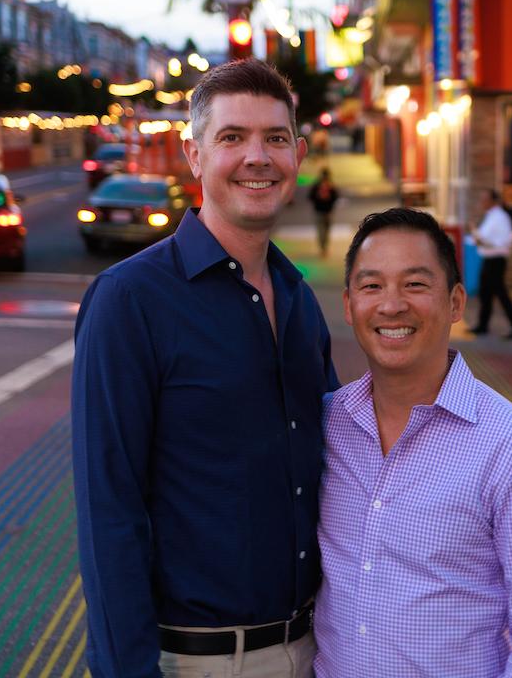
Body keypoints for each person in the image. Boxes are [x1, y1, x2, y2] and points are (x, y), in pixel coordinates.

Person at [71, 59, 339, 678]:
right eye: (232, 138)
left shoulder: (298, 300)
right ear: (194, 155)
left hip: (314, 651)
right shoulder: (130, 300)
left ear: (298, 154)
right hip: (195, 663)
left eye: (275, 138)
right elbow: (108, 506)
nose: (257, 157)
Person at [314, 207, 512, 677]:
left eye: (415, 284)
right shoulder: (329, 424)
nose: (391, 305)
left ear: (456, 302)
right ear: (350, 305)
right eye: (372, 286)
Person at [469, 188, 512, 339]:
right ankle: (483, 325)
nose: (482, 202)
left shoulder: (499, 217)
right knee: (485, 293)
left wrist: (476, 234)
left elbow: (494, 241)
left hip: (496, 259)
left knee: (500, 293)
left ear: (492, 201)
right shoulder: (491, 216)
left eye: (484, 199)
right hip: (489, 258)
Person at [308, 167, 340, 257]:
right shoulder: (330, 185)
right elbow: (336, 197)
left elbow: (310, 197)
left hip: (319, 211)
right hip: (328, 211)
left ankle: (323, 247)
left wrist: (317, 199)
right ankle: (324, 247)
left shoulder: (317, 185)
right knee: (326, 230)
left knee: (321, 230)